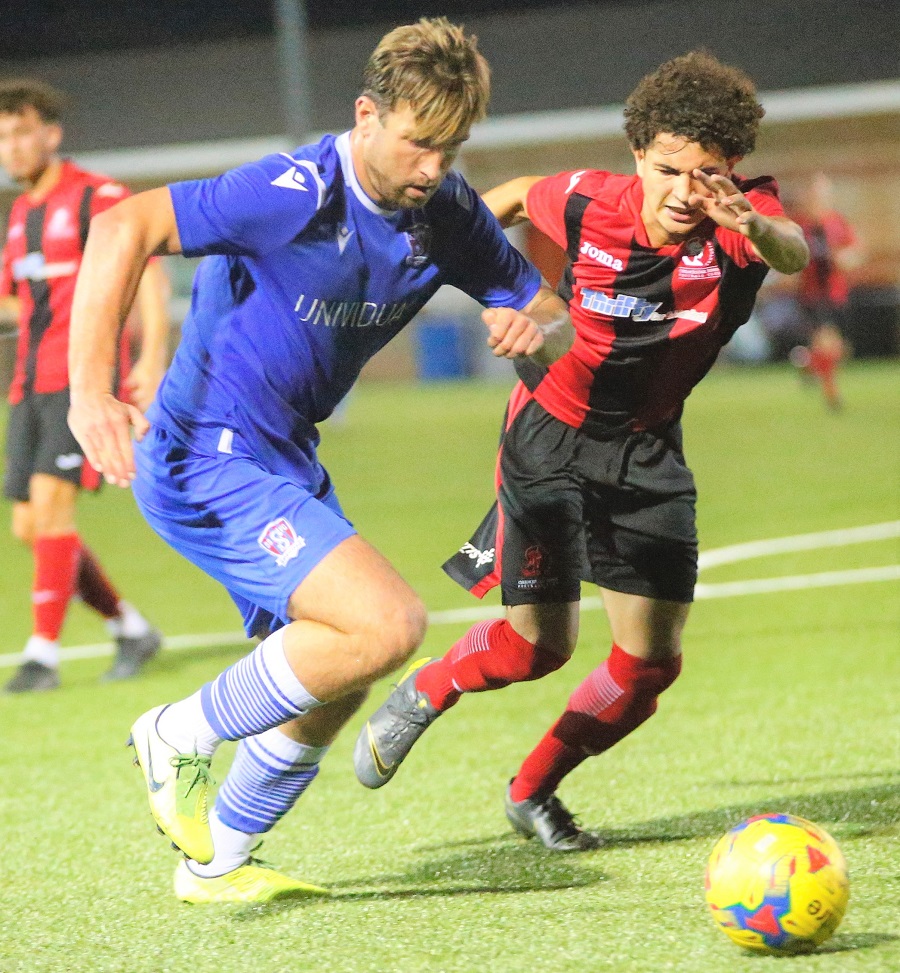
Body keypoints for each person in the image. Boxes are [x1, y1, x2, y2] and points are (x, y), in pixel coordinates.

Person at [67, 18, 573, 903]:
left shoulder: (444, 211)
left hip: (284, 457)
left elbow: (549, 309)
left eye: (451, 149)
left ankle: (218, 860)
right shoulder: (293, 189)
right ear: (366, 115)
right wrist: (89, 390)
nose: (433, 168)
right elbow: (121, 226)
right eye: (419, 144)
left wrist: (537, 328)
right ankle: (177, 731)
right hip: (204, 450)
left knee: (335, 672)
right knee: (387, 624)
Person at [355, 51, 810, 851]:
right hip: (547, 438)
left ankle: (531, 791)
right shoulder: (585, 200)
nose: (684, 191)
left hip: (646, 456)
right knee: (539, 646)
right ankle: (428, 687)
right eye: (668, 169)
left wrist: (755, 223)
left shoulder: (741, 223)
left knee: (647, 668)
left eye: (706, 174)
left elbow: (793, 250)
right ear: (637, 155)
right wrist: (419, 259)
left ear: (732, 170)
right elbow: (498, 201)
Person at [0, 80, 168, 692]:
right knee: (29, 527)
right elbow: (18, 302)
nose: (10, 148)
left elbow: (146, 271)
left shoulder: (98, 196)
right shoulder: (21, 215)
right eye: (1, 137)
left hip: (82, 382)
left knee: (51, 509)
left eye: (20, 132)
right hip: (27, 383)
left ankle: (42, 655)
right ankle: (129, 627)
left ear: (51, 133)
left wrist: (152, 356)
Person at [789, 173, 861, 410]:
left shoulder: (837, 222)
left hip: (836, 294)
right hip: (811, 295)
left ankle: (807, 364)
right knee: (828, 344)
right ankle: (832, 396)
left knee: (839, 349)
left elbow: (855, 252)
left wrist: (845, 259)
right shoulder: (800, 224)